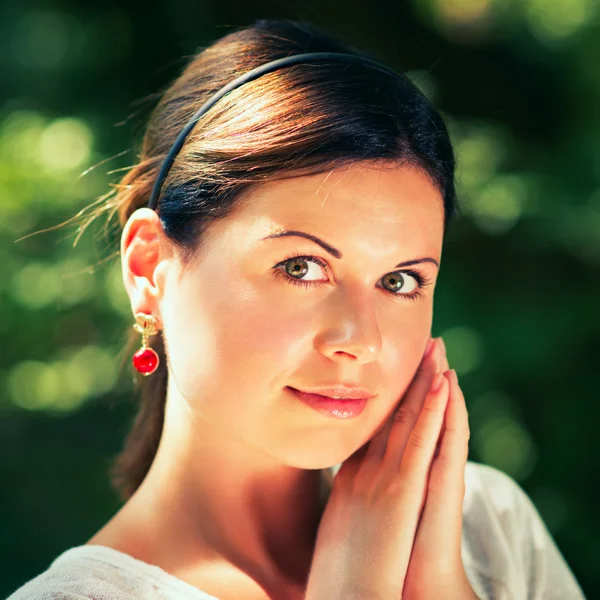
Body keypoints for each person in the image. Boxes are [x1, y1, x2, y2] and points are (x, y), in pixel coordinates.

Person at [7, 17, 586, 600]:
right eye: (301, 267)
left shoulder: (487, 531)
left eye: (400, 279)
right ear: (149, 267)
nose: (360, 339)